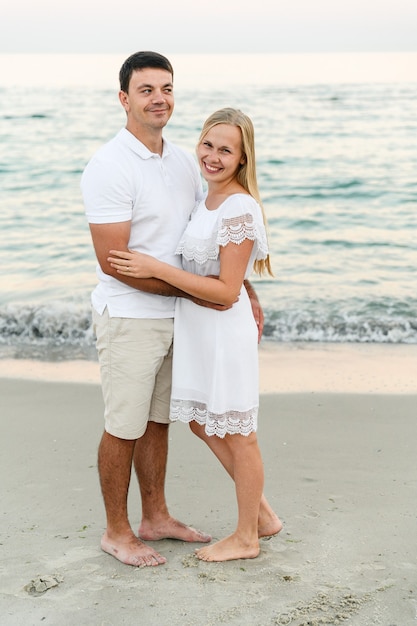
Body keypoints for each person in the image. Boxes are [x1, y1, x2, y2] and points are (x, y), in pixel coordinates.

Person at [81, 52, 265, 567]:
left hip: (179, 316)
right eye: (146, 90)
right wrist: (203, 292)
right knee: (125, 424)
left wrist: (241, 289)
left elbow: (210, 241)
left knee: (159, 420)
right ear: (124, 98)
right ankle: (117, 531)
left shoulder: (186, 159)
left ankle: (155, 515)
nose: (159, 98)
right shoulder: (109, 166)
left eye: (166, 88)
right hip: (129, 316)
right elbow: (115, 263)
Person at [108, 107, 282, 562]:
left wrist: (154, 268)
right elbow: (227, 273)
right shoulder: (206, 200)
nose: (213, 156)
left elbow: (224, 292)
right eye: (208, 144)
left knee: (240, 432)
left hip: (223, 331)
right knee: (204, 421)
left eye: (226, 150)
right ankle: (261, 514)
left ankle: (247, 537)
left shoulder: (240, 206)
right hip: (198, 328)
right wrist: (245, 284)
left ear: (243, 159)